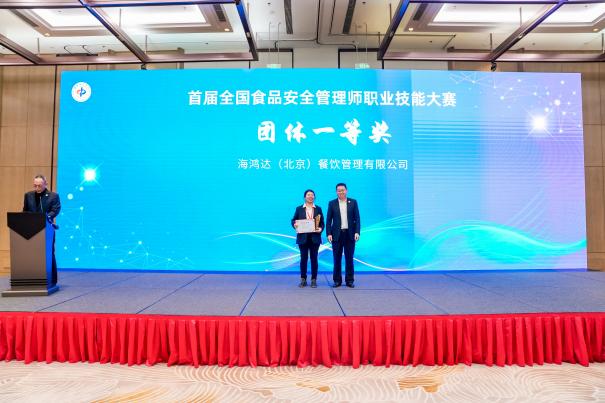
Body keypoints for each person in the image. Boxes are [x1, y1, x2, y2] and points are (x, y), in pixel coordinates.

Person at [23, 174, 61, 286]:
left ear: (46, 184)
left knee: (49, 253)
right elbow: (25, 211)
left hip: (46, 228)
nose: (37, 188)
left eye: (39, 185)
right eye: (35, 185)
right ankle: (33, 278)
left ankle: (52, 279)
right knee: (32, 253)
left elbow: (55, 210)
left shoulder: (53, 196)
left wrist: (45, 217)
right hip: (31, 229)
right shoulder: (28, 195)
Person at [326, 183, 360, 288]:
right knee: (337, 259)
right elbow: (328, 220)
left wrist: (357, 232)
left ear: (346, 190)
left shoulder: (353, 202)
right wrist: (329, 233)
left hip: (350, 234)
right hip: (337, 235)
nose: (341, 192)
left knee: (349, 258)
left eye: (343, 190)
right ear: (336, 192)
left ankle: (349, 280)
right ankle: (337, 280)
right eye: (339, 190)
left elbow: (357, 218)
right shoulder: (332, 203)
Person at [291, 189, 324, 288]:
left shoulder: (318, 209)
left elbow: (322, 223)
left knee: (314, 259)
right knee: (303, 259)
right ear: (305, 197)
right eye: (308, 195)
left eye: (312, 195)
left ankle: (314, 280)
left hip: (315, 237)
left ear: (314, 197)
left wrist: (320, 229)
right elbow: (293, 220)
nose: (310, 196)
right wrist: (295, 224)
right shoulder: (299, 209)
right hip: (303, 237)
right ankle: (303, 279)